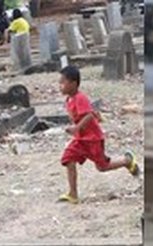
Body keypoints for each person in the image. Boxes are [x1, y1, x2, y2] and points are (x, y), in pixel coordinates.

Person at [58, 65, 139, 204]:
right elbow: (89, 115)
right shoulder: (69, 100)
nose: (60, 86)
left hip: (92, 139)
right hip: (81, 140)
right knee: (68, 158)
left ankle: (127, 161)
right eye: (59, 83)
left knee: (102, 167)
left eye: (62, 82)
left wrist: (76, 127)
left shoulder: (80, 98)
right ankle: (73, 194)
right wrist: (74, 128)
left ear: (73, 83)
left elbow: (89, 115)